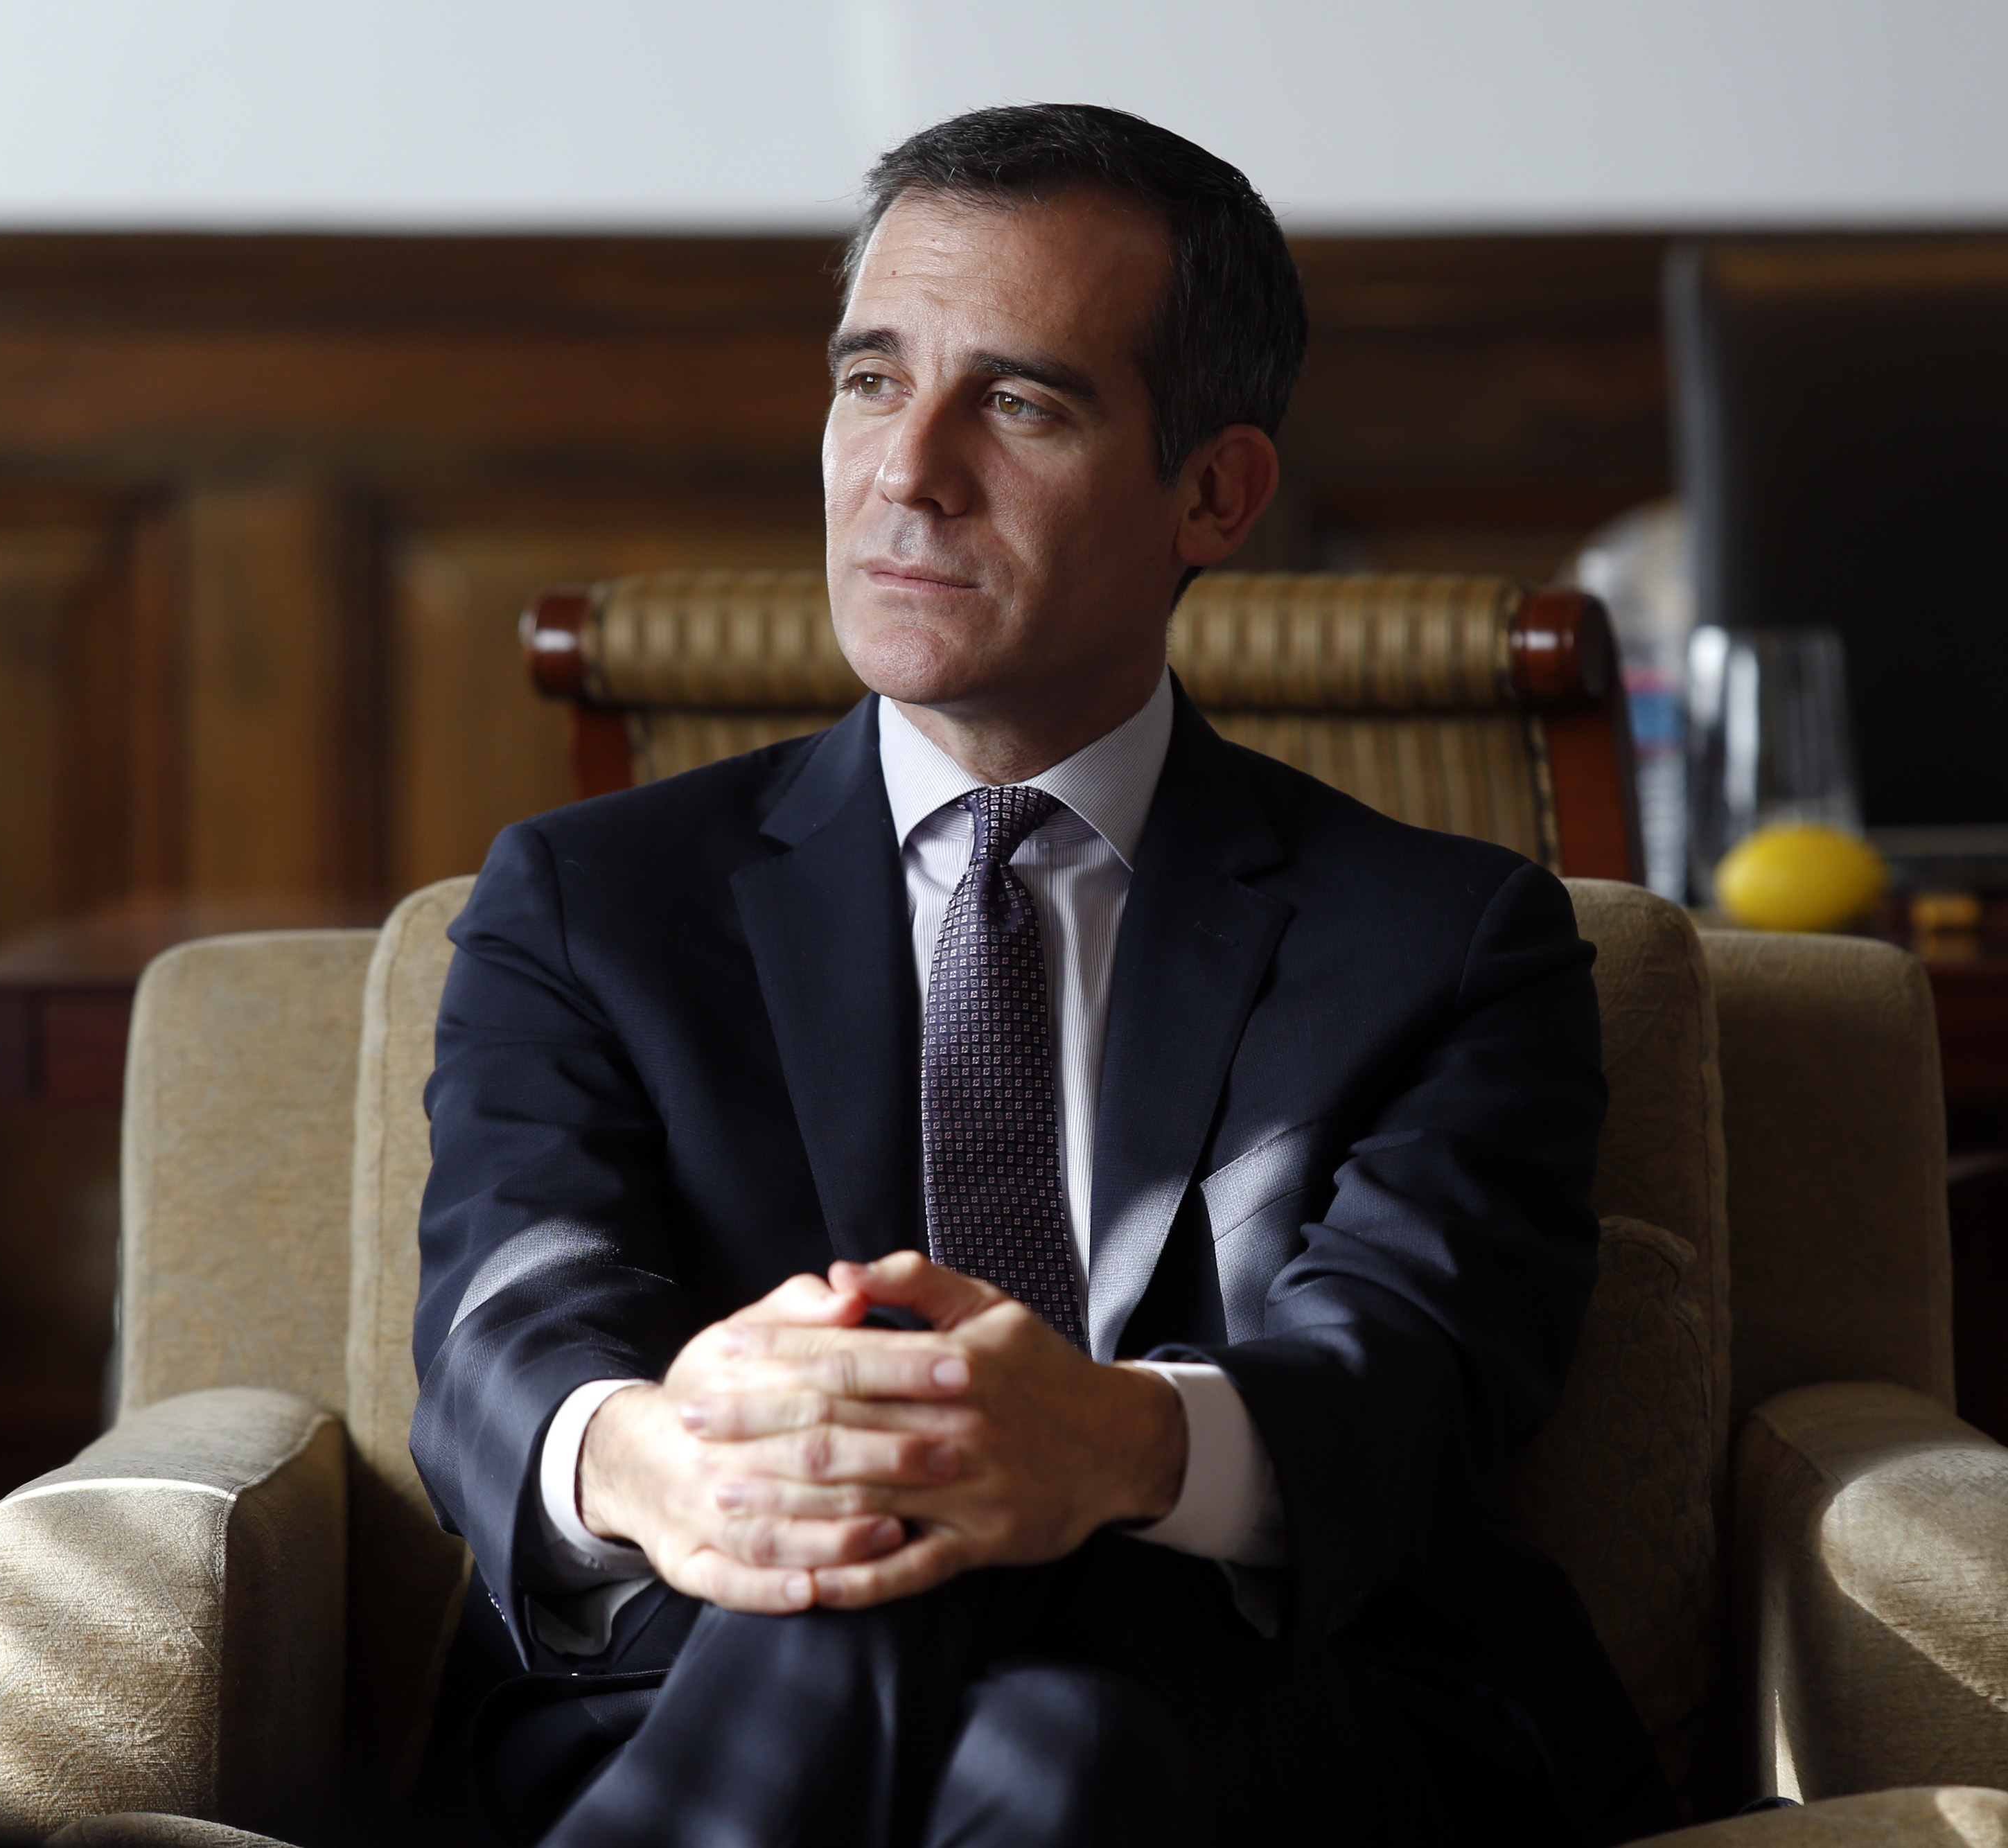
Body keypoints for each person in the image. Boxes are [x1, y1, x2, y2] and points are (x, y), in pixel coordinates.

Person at [412, 102, 1673, 1848]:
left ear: (1213, 492)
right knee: (1036, 1738)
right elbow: (506, 1311)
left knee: (957, 1569)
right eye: (868, 381)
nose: (906, 470)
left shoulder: (1446, 940)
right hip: (711, 1667)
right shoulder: (589, 900)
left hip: (1281, 1707)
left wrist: (1094, 1440)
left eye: (1015, 400)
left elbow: (1412, 1382)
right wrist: (663, 1460)